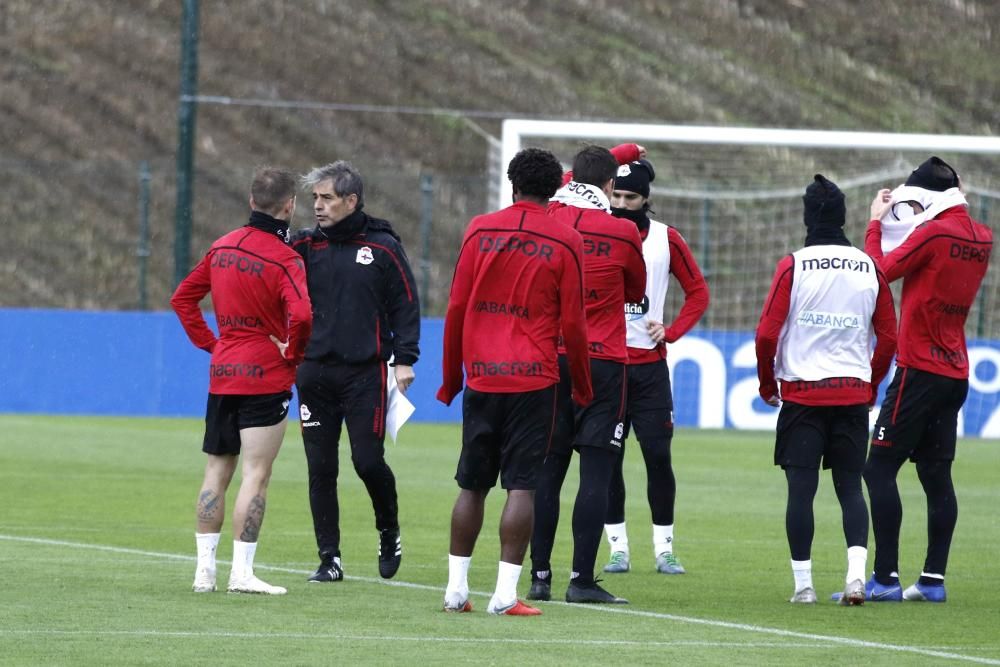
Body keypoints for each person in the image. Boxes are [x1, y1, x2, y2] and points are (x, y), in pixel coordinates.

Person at [437, 147, 592, 616]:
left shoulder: (479, 229)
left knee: (472, 484)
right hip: (534, 378)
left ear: (511, 184)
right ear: (555, 190)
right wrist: (583, 386)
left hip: (483, 376)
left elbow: (457, 307)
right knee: (522, 486)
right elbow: (574, 324)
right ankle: (505, 595)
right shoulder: (567, 240)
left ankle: (456, 591)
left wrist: (450, 379)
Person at [755, 174, 897, 605]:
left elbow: (766, 334)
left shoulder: (794, 264)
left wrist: (767, 381)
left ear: (806, 218)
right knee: (851, 488)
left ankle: (804, 586)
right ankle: (856, 579)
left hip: (803, 395)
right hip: (852, 393)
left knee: (802, 492)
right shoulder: (869, 266)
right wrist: (870, 383)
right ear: (842, 218)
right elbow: (889, 336)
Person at [171, 166, 313, 595]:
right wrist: (293, 351)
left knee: (216, 471)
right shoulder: (285, 257)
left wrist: (212, 345)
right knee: (256, 474)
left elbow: (183, 299)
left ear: (252, 202)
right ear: (289, 206)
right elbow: (303, 315)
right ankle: (242, 573)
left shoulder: (222, 246)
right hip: (265, 375)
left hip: (224, 372)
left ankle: (203, 573)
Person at [859, 157, 992, 603]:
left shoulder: (934, 232)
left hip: (918, 368)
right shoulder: (981, 235)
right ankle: (933, 580)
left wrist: (876, 225)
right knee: (937, 476)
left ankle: (885, 579)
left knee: (877, 468)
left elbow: (879, 273)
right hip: (955, 369)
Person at [528, 144, 647, 605]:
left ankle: (539, 575)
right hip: (603, 361)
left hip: (549, 357)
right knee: (596, 470)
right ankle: (581, 580)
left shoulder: (550, 217)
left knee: (548, 468)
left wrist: (624, 152)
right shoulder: (621, 231)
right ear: (612, 187)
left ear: (569, 177)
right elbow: (636, 291)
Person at [291, 161, 420, 583]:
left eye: (326, 198)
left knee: (367, 461)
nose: (318, 206)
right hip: (314, 373)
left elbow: (406, 303)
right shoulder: (304, 247)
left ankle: (389, 530)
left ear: (351, 200)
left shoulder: (382, 247)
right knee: (320, 468)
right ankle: (329, 558)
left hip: (365, 374)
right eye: (314, 199)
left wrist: (405, 359)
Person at [600, 157, 709, 576]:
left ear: (646, 199)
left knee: (658, 456)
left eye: (630, 197)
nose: (622, 203)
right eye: (617, 194)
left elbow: (698, 291)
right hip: (609, 364)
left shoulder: (666, 239)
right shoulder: (599, 231)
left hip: (648, 368)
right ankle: (618, 549)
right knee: (608, 459)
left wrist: (674, 330)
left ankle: (664, 548)